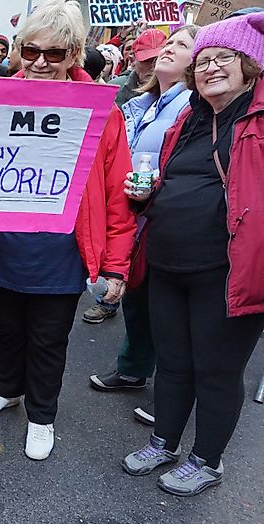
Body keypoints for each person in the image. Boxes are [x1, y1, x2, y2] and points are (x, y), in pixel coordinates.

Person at [0, 0, 136, 461]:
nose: (40, 61)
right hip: (6, 245)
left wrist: (116, 266)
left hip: (64, 253)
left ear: (74, 55)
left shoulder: (103, 113)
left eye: (55, 53)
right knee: (8, 331)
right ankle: (8, 389)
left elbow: (116, 194)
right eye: (31, 51)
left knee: (48, 340)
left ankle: (42, 415)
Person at [122, 13, 264, 497]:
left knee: (217, 370)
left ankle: (207, 460)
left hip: (226, 273)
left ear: (250, 66)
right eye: (203, 61)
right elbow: (174, 181)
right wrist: (145, 194)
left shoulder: (259, 120)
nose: (211, 68)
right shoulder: (190, 118)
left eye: (224, 58)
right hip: (167, 264)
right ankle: (164, 441)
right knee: (175, 362)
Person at [89, 26, 199, 428]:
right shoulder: (143, 100)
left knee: (166, 309)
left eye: (181, 45)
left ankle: (171, 394)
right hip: (132, 213)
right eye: (167, 44)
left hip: (163, 217)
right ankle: (132, 369)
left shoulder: (194, 105)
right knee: (135, 297)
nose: (169, 49)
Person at [110, 29, 166, 107]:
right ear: (132, 60)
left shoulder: (179, 94)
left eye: (158, 60)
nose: (153, 66)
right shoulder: (114, 89)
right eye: (146, 61)